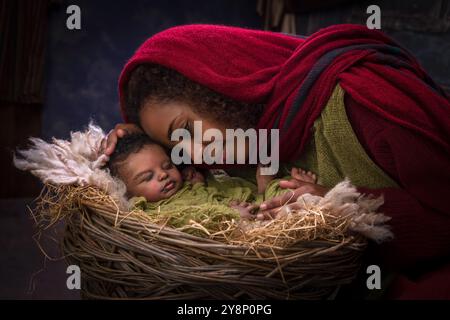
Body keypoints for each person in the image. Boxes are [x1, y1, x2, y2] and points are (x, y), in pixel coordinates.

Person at [103, 24, 450, 298]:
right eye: (173, 146)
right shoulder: (249, 136)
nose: (190, 154)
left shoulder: (364, 98)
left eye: (183, 130)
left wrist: (337, 203)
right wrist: (135, 139)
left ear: (217, 90)